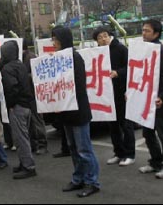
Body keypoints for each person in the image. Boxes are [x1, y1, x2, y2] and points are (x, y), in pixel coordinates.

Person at [53, 27, 100, 198]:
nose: (53, 43)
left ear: (63, 39)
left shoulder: (75, 58)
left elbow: (78, 87)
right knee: (73, 148)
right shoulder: (59, 58)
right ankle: (78, 178)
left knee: (84, 149)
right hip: (66, 112)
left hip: (78, 111)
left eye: (55, 39)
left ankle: (92, 182)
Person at [138, 19, 163, 179]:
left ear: (156, 33)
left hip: (160, 99)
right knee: (147, 133)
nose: (143, 33)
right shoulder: (142, 50)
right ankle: (155, 162)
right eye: (143, 30)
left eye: (147, 30)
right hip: (146, 98)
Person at [92, 26, 135, 166]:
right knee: (113, 125)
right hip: (106, 94)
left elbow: (131, 67)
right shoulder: (97, 52)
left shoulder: (121, 49)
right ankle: (119, 152)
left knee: (125, 124)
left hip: (121, 92)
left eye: (105, 35)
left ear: (110, 35)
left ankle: (130, 154)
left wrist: (118, 73)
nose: (103, 39)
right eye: (99, 37)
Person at [0, 40, 37, 180]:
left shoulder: (8, 69)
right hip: (27, 105)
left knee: (21, 138)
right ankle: (23, 162)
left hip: (17, 106)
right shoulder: (20, 65)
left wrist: (11, 105)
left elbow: (11, 88)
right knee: (23, 136)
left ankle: (28, 167)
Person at [22, 39, 48, 155]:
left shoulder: (31, 57)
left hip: (33, 94)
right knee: (30, 121)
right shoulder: (20, 58)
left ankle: (42, 144)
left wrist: (22, 76)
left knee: (37, 120)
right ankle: (34, 144)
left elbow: (37, 75)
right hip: (26, 95)